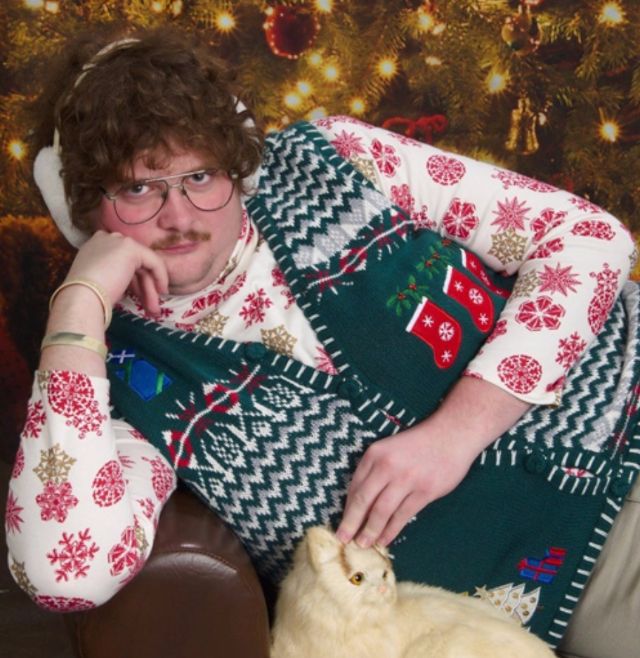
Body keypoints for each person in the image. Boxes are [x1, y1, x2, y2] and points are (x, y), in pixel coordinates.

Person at [5, 24, 639, 655]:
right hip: (547, 579)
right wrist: (77, 309)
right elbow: (65, 574)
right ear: (78, 207)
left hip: (624, 398)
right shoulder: (117, 380)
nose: (179, 217)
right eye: (137, 188)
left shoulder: (335, 157)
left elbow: (586, 237)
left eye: (200, 176)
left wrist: (458, 432)